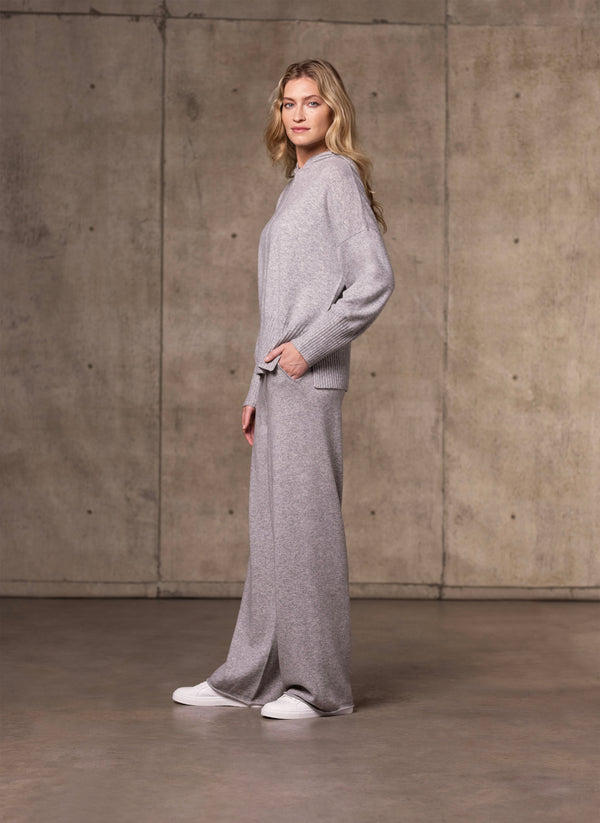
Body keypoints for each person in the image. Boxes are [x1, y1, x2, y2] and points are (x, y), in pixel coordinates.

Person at [173, 59, 394, 719]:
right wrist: (255, 385)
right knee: (273, 535)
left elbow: (373, 279)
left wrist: (308, 349)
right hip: (277, 386)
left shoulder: (336, 177)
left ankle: (318, 688)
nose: (299, 114)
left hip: (309, 379)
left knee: (306, 531)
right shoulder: (295, 188)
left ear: (333, 112)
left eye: (312, 102)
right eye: (288, 103)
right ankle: (249, 678)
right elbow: (278, 307)